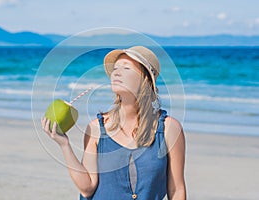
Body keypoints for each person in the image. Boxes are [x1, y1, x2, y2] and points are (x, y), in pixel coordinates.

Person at [41, 46, 186, 200]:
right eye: (115, 68)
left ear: (145, 79)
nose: (116, 72)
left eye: (126, 68)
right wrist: (64, 145)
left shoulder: (169, 129)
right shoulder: (96, 127)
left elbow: (177, 190)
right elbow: (87, 188)